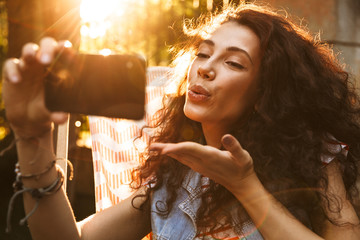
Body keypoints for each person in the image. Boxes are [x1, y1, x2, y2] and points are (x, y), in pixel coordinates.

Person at [2, 3, 360, 240]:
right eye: (203, 53)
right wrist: (32, 137)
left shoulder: (314, 160)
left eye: (233, 63)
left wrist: (245, 186)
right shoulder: (175, 174)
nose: (204, 67)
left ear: (268, 92)